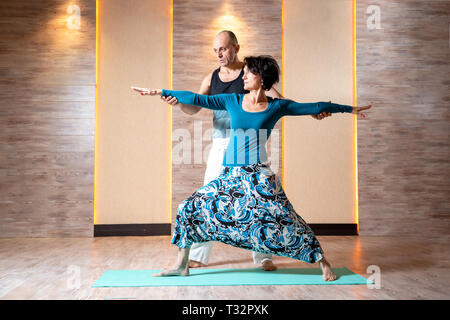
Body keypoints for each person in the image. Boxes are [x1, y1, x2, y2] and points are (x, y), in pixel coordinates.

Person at [131, 55, 371, 281]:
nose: (243, 77)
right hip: (229, 175)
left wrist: (348, 109)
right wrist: (160, 91)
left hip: (258, 175)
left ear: (262, 79)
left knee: (286, 218)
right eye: (243, 73)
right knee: (188, 207)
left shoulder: (276, 106)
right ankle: (181, 265)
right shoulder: (232, 100)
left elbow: (315, 106)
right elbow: (196, 98)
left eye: (248, 73)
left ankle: (322, 261)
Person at [162, 30, 333, 272]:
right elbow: (194, 108)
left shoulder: (252, 72)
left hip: (250, 143)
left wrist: (312, 111)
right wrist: (178, 102)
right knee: (209, 197)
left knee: (258, 201)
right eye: (215, 50)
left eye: (223, 48)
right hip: (222, 143)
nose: (219, 54)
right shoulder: (211, 78)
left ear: (236, 47)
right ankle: (198, 255)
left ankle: (263, 256)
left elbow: (279, 101)